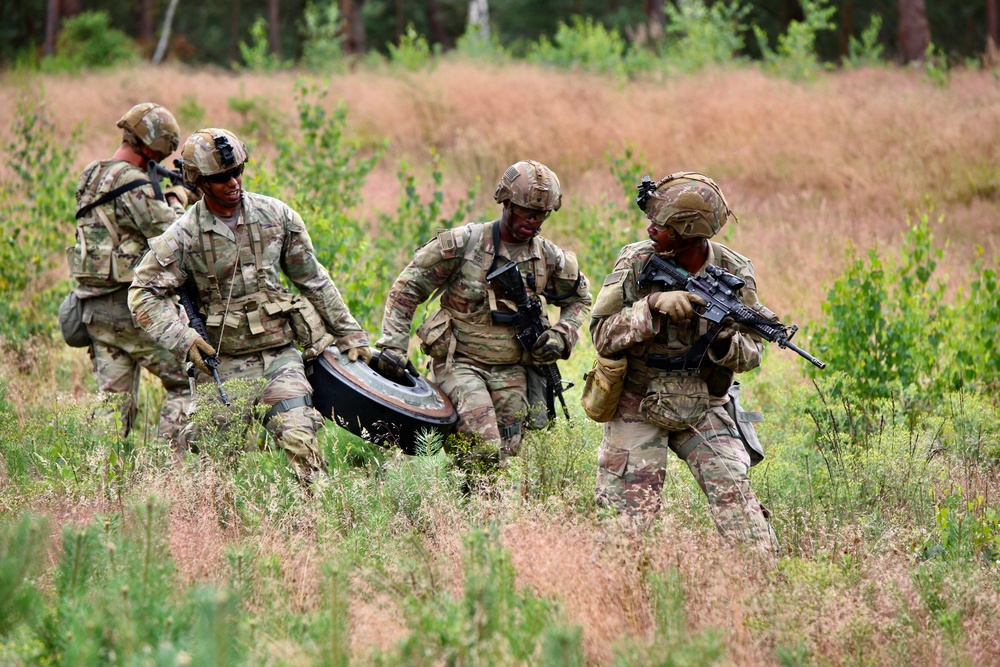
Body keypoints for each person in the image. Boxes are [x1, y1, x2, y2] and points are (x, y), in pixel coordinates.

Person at [128, 128, 370, 484]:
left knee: (303, 448)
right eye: (221, 177)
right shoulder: (183, 235)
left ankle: (315, 532)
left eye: (237, 171)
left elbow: (314, 280)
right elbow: (142, 293)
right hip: (221, 367)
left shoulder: (277, 216)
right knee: (214, 470)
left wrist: (351, 335)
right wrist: (184, 339)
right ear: (199, 181)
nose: (233, 182)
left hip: (280, 358)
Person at [590, 171, 778, 561]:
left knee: (737, 500)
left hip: (703, 400)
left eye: (662, 225)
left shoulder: (734, 271)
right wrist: (650, 308)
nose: (651, 228)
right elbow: (601, 335)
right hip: (638, 400)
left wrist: (726, 343)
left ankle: (764, 586)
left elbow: (755, 351)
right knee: (626, 523)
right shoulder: (637, 260)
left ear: (689, 232)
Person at [376, 160, 591, 475]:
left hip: (513, 368)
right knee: (483, 442)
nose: (532, 220)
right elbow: (408, 288)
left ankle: (478, 513)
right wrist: (393, 346)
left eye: (540, 214)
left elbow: (580, 299)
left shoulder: (549, 258)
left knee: (506, 453)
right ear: (506, 202)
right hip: (460, 362)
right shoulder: (464, 244)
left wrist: (561, 334)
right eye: (525, 210)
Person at [68, 102, 193, 441]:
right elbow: (173, 235)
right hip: (135, 310)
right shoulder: (134, 185)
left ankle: (98, 481)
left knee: (113, 405)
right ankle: (173, 471)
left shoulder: (91, 174)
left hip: (93, 310)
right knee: (189, 383)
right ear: (154, 145)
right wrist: (178, 195)